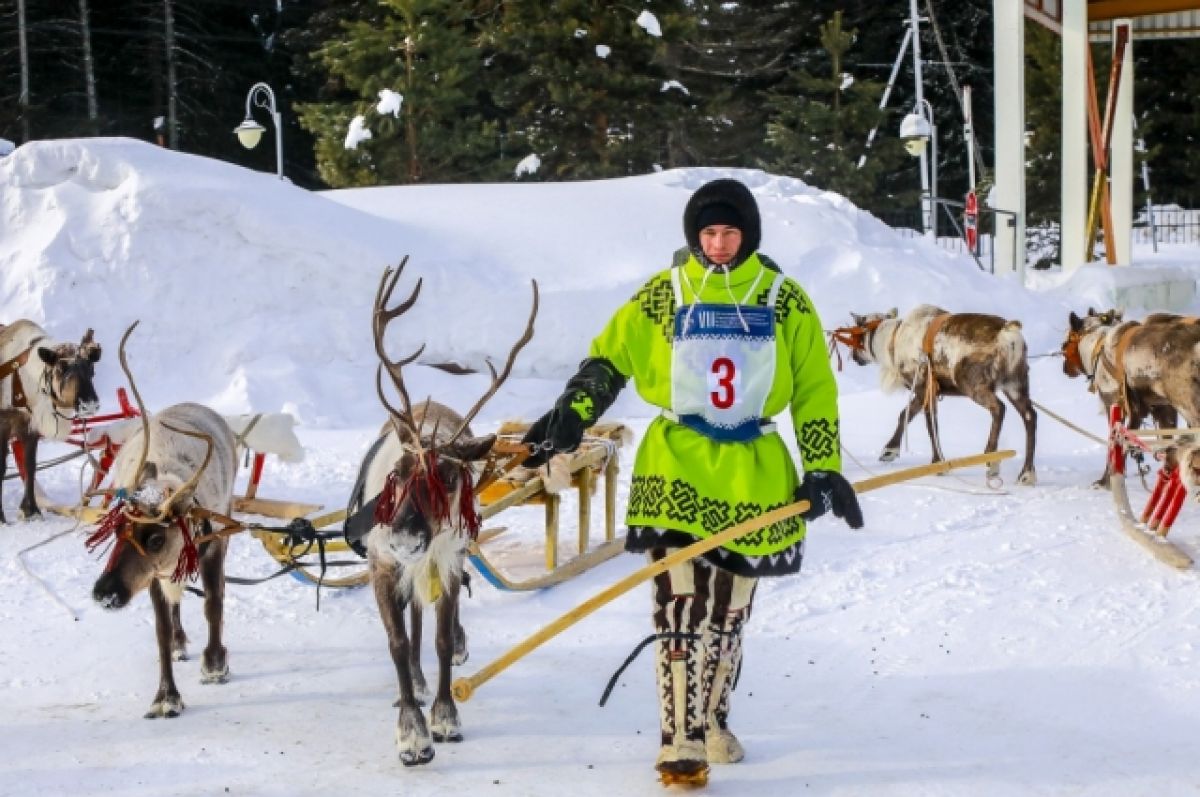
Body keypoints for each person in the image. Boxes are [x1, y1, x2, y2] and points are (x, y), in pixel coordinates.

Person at [522, 177, 863, 785]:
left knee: (730, 610)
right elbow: (611, 357)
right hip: (675, 460)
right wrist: (574, 413)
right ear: (694, 235)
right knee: (678, 604)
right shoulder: (665, 294)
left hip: (753, 470)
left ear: (749, 233)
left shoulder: (783, 298)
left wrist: (821, 465)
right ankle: (676, 738)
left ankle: (712, 720)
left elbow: (814, 390)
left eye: (731, 231)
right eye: (709, 231)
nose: (720, 243)